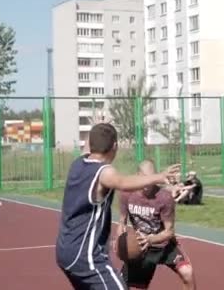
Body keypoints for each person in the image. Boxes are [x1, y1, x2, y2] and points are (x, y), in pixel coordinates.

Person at [55, 123, 180, 290]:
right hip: (85, 256)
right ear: (115, 146)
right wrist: (159, 176)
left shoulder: (78, 163)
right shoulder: (104, 172)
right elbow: (124, 183)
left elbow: (89, 146)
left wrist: (98, 126)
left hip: (64, 250)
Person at [116, 160, 196, 290]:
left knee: (187, 272)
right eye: (145, 177)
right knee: (134, 286)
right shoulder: (127, 194)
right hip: (141, 247)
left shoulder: (164, 198)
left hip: (164, 245)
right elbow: (122, 222)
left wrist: (150, 239)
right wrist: (120, 243)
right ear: (138, 175)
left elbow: (169, 231)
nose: (149, 182)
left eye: (151, 177)